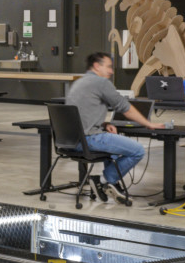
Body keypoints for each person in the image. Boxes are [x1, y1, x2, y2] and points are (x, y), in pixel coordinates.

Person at [64, 52, 165, 202]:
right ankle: (104, 180)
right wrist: (149, 124)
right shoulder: (101, 82)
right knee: (137, 151)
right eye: (109, 67)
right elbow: (125, 108)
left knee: (113, 150)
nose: (111, 71)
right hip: (89, 139)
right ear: (97, 66)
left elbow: (81, 113)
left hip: (70, 140)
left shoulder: (79, 82)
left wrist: (104, 124)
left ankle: (112, 184)